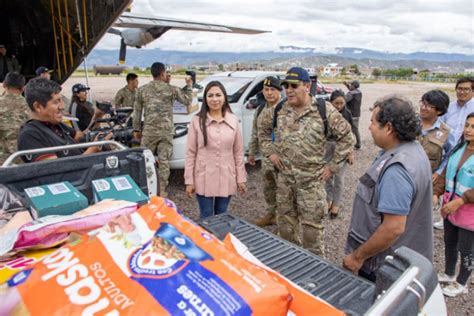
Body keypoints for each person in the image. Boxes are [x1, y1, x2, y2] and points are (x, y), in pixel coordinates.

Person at [264, 67, 353, 256]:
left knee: (312, 234)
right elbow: (263, 132)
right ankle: (290, 267)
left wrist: (333, 166)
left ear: (307, 85)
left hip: (311, 185)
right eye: (286, 86)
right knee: (286, 230)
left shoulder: (323, 110)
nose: (288, 90)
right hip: (285, 183)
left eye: (294, 86)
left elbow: (347, 138)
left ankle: (315, 276)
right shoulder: (280, 109)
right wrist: (270, 152)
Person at [343, 95, 433, 282]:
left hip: (381, 266)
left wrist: (357, 257)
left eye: (373, 122)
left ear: (389, 128)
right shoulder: (413, 149)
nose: (369, 127)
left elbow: (393, 228)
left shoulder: (397, 170)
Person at [184, 81, 247, 218]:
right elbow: (190, 153)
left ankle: (219, 239)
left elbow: (238, 152)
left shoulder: (233, 120)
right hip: (203, 175)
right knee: (206, 214)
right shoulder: (197, 121)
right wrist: (189, 180)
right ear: (205, 99)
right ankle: (205, 239)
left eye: (218, 95)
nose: (214, 99)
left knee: (222, 214)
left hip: (227, 175)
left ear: (224, 97)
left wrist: (241, 177)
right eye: (210, 95)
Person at [132, 62, 193, 197]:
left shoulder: (142, 90)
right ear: (163, 73)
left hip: (149, 131)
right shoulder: (171, 89)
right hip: (166, 131)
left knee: (145, 160)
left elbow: (137, 112)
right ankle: (162, 190)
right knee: (164, 161)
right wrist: (189, 85)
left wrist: (136, 129)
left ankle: (145, 187)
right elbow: (187, 100)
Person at [17, 78, 111, 163]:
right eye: (56, 102)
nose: (62, 106)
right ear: (38, 106)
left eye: (61, 100)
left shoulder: (56, 125)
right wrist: (93, 150)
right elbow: (59, 171)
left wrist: (97, 118)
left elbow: (83, 136)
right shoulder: (30, 135)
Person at [432, 113, 474, 297]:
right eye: (467, 125)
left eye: (473, 127)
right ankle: (449, 273)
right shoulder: (459, 148)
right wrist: (436, 192)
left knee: (467, 249)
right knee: (450, 242)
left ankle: (461, 282)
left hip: (468, 212)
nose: (468, 130)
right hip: (450, 207)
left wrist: (461, 200)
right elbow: (445, 174)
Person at [435, 77, 474, 230]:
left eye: (466, 89)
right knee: (450, 182)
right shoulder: (449, 108)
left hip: (469, 150)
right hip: (452, 152)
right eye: (459, 88)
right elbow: (439, 127)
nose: (462, 92)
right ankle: (445, 215)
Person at [248, 76, 284, 227]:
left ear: (280, 91)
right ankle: (271, 215)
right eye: (266, 89)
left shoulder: (286, 108)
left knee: (284, 192)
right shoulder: (261, 109)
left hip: (283, 160)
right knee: (269, 189)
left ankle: (284, 223)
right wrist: (251, 152)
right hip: (267, 159)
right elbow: (256, 132)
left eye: (273, 90)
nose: (269, 93)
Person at [325, 90, 355, 219]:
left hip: (341, 148)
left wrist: (350, 152)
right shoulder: (325, 113)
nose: (338, 106)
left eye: (341, 103)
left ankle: (336, 205)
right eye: (335, 103)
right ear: (330, 102)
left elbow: (350, 136)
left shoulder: (347, 115)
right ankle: (327, 200)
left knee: (339, 179)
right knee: (326, 176)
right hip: (326, 146)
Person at [0, 72, 29, 163]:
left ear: (4, 84)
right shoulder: (33, 107)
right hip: (25, 159)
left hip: (3, 162)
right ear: (23, 88)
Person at [343, 80, 362, 150]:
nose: (350, 86)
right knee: (356, 129)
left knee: (348, 129)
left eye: (351, 85)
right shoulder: (359, 92)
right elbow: (352, 90)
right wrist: (347, 85)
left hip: (351, 114)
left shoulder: (351, 94)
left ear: (353, 86)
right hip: (357, 113)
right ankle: (358, 143)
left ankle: (349, 144)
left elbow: (345, 100)